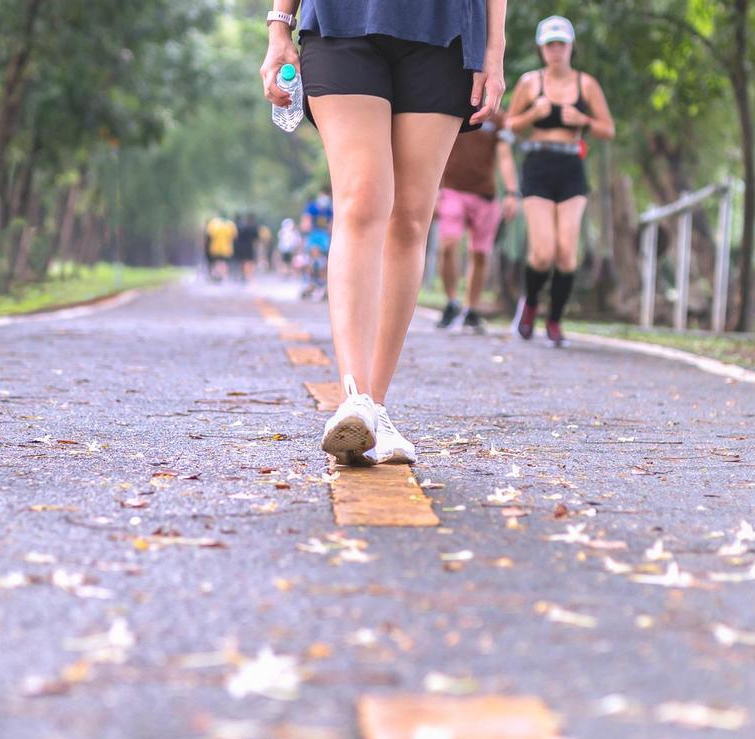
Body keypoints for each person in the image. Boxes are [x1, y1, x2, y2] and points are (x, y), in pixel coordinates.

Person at [261, 0, 506, 466]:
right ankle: (353, 396)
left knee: (411, 217)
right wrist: (279, 27)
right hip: (341, 23)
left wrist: (494, 50)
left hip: (444, 31)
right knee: (363, 198)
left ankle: (375, 405)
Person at [505, 15, 615, 346]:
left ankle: (554, 321)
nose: (556, 51)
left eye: (561, 44)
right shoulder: (529, 83)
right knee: (542, 253)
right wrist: (531, 115)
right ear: (541, 48)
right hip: (538, 164)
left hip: (571, 167)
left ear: (570, 47)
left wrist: (583, 119)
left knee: (567, 254)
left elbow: (608, 129)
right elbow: (509, 125)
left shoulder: (587, 85)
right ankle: (531, 304)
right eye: (550, 45)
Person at [434, 110, 520, 334]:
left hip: (485, 195)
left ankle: (470, 309)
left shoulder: (497, 118)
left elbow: (504, 155)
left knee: (480, 254)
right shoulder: (452, 104)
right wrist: (433, 189)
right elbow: (435, 146)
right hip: (452, 190)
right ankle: (452, 302)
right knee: (448, 245)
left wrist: (511, 192)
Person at [204, 212, 237, 283]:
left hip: (215, 247)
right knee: (224, 262)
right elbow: (235, 236)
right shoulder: (230, 224)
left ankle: (217, 275)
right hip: (227, 247)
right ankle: (223, 276)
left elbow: (209, 235)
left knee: (216, 262)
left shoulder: (213, 223)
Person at [235, 213, 261, 283]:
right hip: (249, 247)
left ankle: (243, 275)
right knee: (249, 262)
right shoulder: (254, 227)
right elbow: (256, 238)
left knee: (243, 261)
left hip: (241, 247)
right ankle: (248, 276)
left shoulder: (241, 227)